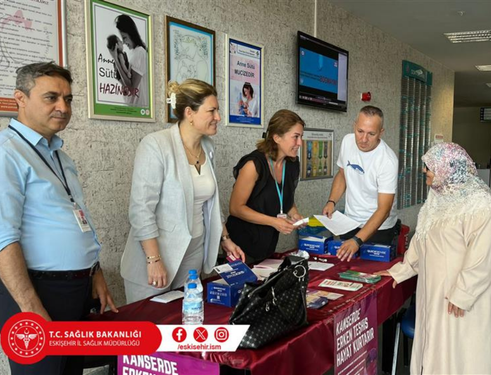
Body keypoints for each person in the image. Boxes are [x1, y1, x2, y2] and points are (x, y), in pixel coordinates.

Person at [0, 62, 118, 375]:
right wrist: (30, 307)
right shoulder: (7, 153)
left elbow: (73, 219)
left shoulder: (59, 156)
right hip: (36, 291)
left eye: (68, 99)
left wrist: (95, 273)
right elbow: (3, 238)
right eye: (51, 97)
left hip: (74, 290)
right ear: (20, 99)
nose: (63, 107)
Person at [377, 142, 491, 374]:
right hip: (439, 291)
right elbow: (422, 241)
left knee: (467, 352)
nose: (425, 172)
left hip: (468, 296)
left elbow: (485, 254)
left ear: (448, 168)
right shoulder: (437, 198)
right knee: (441, 349)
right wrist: (401, 271)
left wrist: (463, 293)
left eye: (429, 168)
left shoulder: (479, 203)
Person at [120, 79, 244, 303]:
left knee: (184, 319)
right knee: (152, 327)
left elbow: (211, 203)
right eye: (212, 111)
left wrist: (225, 238)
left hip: (193, 253)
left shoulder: (208, 147)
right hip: (157, 256)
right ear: (189, 112)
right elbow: (141, 209)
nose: (218, 117)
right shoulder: (156, 145)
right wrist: (153, 259)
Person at [226, 110, 305, 263]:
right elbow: (235, 208)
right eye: (295, 137)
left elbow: (284, 197)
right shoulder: (253, 165)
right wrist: (274, 222)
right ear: (277, 138)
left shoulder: (292, 164)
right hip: (241, 246)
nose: (300, 143)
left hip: (267, 245)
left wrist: (294, 214)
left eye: (301, 136)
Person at [322, 105, 399, 262]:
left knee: (370, 275)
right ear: (354, 126)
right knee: (343, 271)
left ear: (381, 133)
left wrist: (358, 240)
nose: (364, 139)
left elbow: (384, 210)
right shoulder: (347, 141)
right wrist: (332, 201)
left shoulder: (387, 161)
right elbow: (342, 174)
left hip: (379, 228)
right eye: (360, 131)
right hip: (350, 222)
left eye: (371, 134)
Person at [111, 14, 148, 108]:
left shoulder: (140, 52)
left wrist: (116, 59)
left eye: (124, 38)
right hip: (131, 106)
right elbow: (127, 84)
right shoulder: (131, 53)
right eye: (121, 39)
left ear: (131, 33)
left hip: (138, 107)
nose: (123, 42)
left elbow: (132, 88)